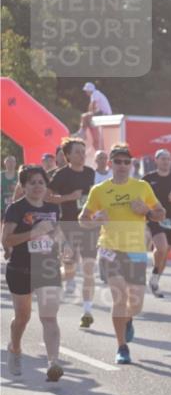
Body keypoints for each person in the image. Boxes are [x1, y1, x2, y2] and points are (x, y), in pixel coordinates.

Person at [79, 143, 165, 365]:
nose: (122, 165)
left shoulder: (142, 187)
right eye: (118, 161)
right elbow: (83, 218)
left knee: (135, 304)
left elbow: (161, 213)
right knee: (120, 297)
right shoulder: (99, 191)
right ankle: (121, 347)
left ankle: (127, 319)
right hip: (109, 249)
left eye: (127, 161)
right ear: (110, 164)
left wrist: (146, 211)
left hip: (136, 250)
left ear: (131, 164)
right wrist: (94, 219)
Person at [2, 165, 66, 381]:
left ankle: (53, 363)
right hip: (20, 268)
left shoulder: (54, 209)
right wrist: (32, 233)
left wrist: (65, 247)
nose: (38, 186)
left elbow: (57, 234)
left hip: (47, 267)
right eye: (32, 182)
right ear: (23, 185)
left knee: (49, 317)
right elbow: (6, 240)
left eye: (41, 182)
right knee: (23, 317)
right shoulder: (16, 209)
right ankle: (15, 348)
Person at [48, 137, 98, 326]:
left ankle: (87, 312)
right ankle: (58, 279)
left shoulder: (90, 173)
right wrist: (69, 197)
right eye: (77, 152)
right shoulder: (61, 175)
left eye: (83, 151)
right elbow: (48, 197)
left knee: (88, 270)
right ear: (67, 155)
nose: (81, 155)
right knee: (69, 267)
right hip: (68, 225)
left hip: (89, 227)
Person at [142, 148, 171, 297]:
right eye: (163, 159)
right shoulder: (147, 179)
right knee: (162, 246)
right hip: (153, 218)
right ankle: (154, 276)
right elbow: (139, 198)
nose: (166, 162)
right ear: (156, 160)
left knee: (164, 251)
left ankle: (155, 280)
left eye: (168, 159)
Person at [78, 82, 112, 147]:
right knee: (86, 115)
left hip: (104, 113)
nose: (86, 92)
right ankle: (83, 132)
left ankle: (82, 132)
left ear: (89, 90)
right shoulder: (96, 94)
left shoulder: (95, 94)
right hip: (102, 112)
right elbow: (92, 106)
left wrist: (90, 113)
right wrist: (90, 113)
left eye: (86, 91)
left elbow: (92, 104)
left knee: (84, 116)